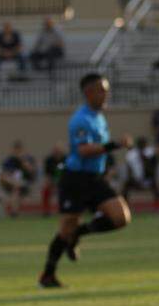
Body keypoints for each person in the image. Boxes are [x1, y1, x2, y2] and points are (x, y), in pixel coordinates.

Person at [39, 73, 133, 289]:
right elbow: (83, 150)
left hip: (94, 178)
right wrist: (115, 145)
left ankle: (78, 234)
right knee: (65, 229)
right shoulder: (80, 119)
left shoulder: (99, 116)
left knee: (120, 217)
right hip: (75, 179)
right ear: (89, 92)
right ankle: (47, 275)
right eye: (102, 89)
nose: (106, 94)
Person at [0, 140, 38, 218]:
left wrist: (22, 161)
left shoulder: (28, 159)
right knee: (15, 188)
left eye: (19, 149)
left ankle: (14, 213)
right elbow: (4, 175)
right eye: (15, 149)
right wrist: (12, 182)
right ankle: (14, 213)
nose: (17, 151)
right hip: (10, 184)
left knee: (16, 190)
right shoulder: (9, 160)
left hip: (25, 184)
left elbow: (32, 172)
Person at [122, 137, 159, 207]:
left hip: (148, 179)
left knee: (156, 185)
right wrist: (133, 178)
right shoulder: (132, 154)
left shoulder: (151, 154)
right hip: (136, 180)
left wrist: (144, 159)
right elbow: (129, 170)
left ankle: (158, 205)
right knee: (126, 186)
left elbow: (153, 170)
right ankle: (124, 205)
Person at [41, 146, 65, 217]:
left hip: (63, 180)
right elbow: (47, 174)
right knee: (46, 190)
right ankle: (46, 211)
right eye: (55, 150)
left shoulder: (65, 159)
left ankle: (64, 210)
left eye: (59, 150)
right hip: (51, 180)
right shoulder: (49, 160)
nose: (57, 152)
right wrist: (49, 182)